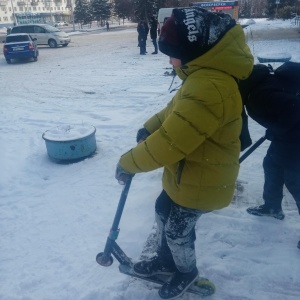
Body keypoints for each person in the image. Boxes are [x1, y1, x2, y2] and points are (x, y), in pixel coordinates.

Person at [115, 7, 253, 299]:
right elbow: (174, 111)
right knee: (162, 211)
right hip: (189, 175)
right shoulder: (201, 77)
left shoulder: (209, 88)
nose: (168, 59)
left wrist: (128, 163)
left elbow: (170, 143)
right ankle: (166, 261)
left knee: (177, 232)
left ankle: (186, 273)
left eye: (172, 52)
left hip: (204, 181)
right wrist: (149, 127)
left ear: (194, 52)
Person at [239, 63, 300, 249]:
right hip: (289, 134)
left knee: (294, 181)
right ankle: (272, 207)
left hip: (295, 136)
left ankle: (272, 207)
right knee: (271, 164)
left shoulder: (258, 96)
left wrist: (277, 129)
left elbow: (295, 107)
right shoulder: (262, 83)